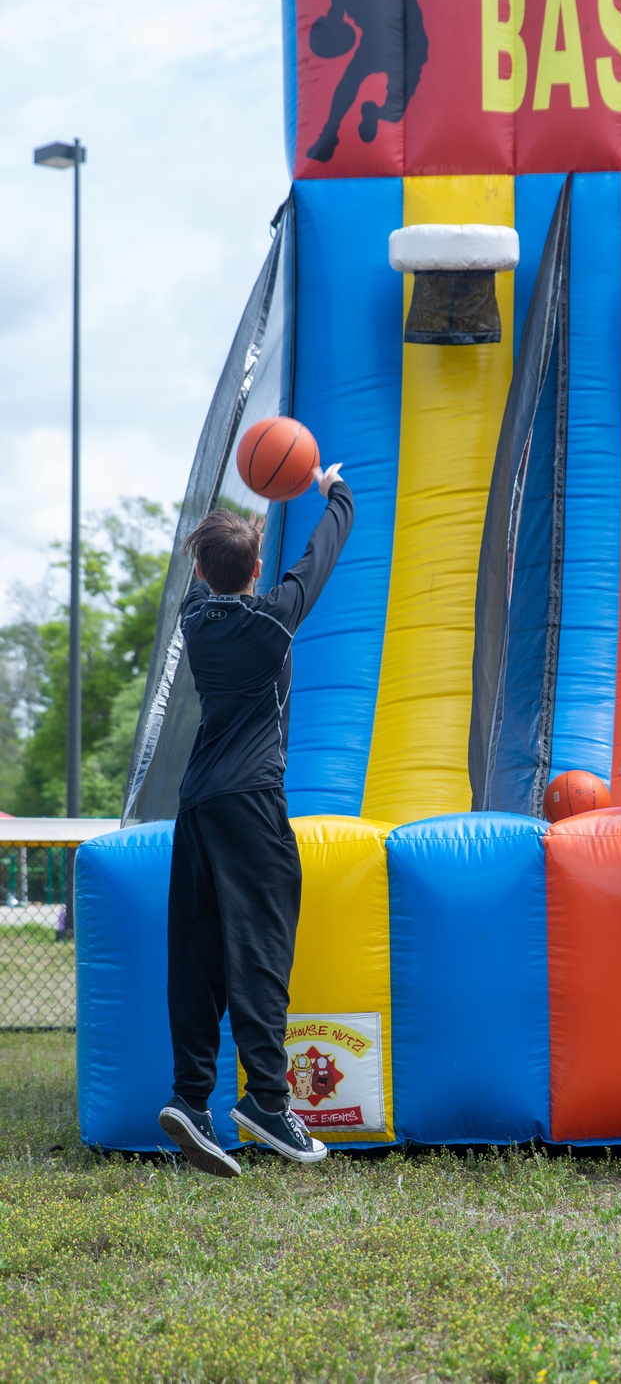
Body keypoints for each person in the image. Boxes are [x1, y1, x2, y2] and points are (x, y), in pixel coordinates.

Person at [158, 464, 354, 1178]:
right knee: (264, 949)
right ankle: (267, 1102)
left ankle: (189, 1096)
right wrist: (335, 492)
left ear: (202, 570)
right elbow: (320, 558)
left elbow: (220, 565)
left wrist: (240, 533)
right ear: (259, 568)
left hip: (197, 805)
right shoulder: (273, 621)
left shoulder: (193, 619)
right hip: (251, 805)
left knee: (199, 951)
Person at [305, 0, 457, 163]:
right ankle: (329, 134)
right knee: (349, 82)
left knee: (393, 111)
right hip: (384, 46)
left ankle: (372, 113)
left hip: (408, 46)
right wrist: (324, 28)